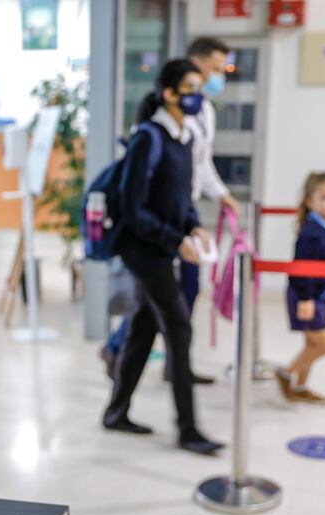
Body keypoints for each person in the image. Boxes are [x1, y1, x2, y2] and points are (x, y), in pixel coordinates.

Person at [102, 59, 224, 455]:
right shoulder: (148, 138)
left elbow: (180, 196)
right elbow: (134, 210)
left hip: (161, 246)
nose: (198, 96)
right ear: (169, 93)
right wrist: (175, 241)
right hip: (143, 250)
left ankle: (115, 413)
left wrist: (193, 226)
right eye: (190, 87)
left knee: (142, 328)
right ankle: (189, 430)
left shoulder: (186, 135)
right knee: (179, 328)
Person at [275, 172, 325, 405]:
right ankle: (286, 373)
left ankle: (301, 386)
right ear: (310, 201)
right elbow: (301, 268)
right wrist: (306, 299)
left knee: (312, 343)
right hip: (307, 295)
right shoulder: (311, 232)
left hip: (320, 294)